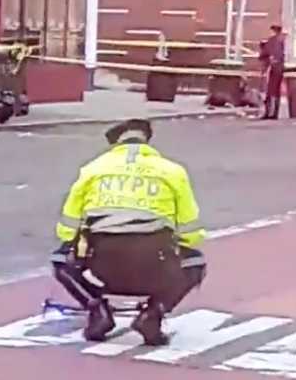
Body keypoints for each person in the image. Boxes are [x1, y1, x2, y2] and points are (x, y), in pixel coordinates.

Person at [51, 119, 207, 346]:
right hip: (155, 268)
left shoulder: (93, 169)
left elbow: (67, 229)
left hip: (102, 268)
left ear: (115, 143)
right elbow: (191, 232)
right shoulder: (173, 171)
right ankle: (153, 314)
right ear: (147, 142)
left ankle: (97, 310)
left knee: (60, 260)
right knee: (196, 262)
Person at [257, 25, 286, 120]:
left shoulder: (273, 41)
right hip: (279, 68)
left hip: (272, 68)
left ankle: (269, 112)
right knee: (276, 91)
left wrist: (262, 47)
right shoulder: (281, 41)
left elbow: (264, 54)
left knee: (270, 91)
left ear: (273, 31)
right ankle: (274, 113)